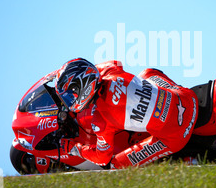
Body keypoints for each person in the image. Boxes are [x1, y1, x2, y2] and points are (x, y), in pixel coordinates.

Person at [55, 58, 197, 169]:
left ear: (83, 88)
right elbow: (115, 63)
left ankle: (182, 161)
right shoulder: (109, 70)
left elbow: (102, 158)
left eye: (70, 95)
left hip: (177, 134)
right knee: (148, 73)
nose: (69, 101)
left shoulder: (100, 120)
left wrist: (75, 149)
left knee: (117, 165)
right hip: (187, 98)